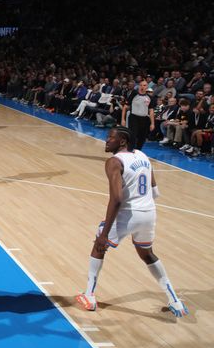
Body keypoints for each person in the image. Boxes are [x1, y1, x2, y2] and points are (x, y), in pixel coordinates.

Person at [75, 127, 187, 317]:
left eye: (111, 137)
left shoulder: (114, 162)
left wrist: (104, 234)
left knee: (99, 245)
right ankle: (175, 301)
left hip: (128, 214)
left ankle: (89, 296)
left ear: (123, 142)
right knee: (147, 254)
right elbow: (155, 192)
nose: (106, 140)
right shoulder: (143, 155)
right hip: (149, 213)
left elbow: (117, 199)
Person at [121, 79, 155, 150]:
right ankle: (129, 151)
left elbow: (151, 111)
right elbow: (125, 107)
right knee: (133, 136)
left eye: (144, 85)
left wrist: (152, 123)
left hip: (144, 119)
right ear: (139, 86)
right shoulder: (134, 94)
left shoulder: (150, 98)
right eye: (141, 85)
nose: (142, 86)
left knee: (142, 138)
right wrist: (123, 119)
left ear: (147, 87)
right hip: (134, 118)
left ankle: (138, 152)